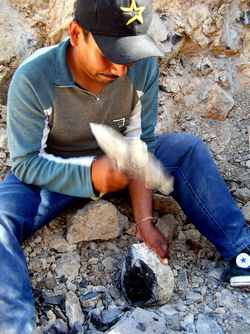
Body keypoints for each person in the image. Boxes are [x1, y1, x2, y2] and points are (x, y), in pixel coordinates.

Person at [1, 0, 250, 332]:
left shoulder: (141, 66)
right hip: (52, 173)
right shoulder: (34, 78)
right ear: (76, 34)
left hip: (119, 166)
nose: (121, 69)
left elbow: (140, 146)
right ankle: (14, 325)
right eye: (111, 54)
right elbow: (27, 163)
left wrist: (145, 221)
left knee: (186, 149)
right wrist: (89, 176)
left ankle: (241, 253)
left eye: (128, 56)